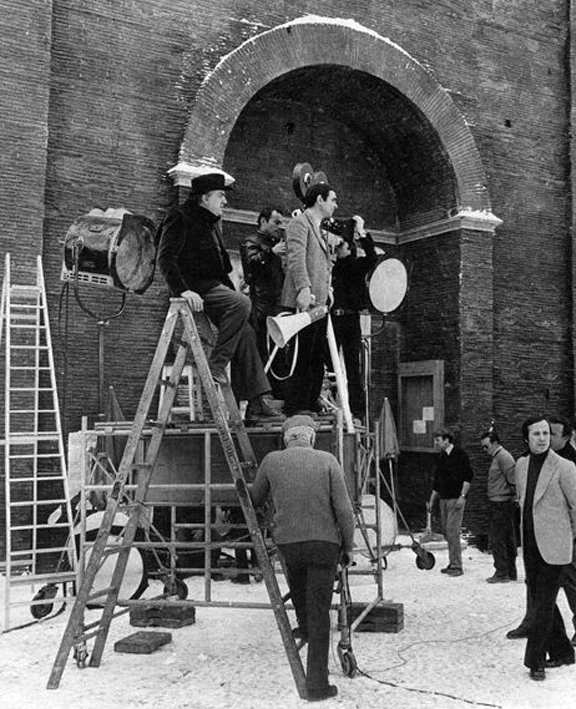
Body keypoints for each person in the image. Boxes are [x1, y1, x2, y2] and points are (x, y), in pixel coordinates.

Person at [156, 172, 280, 422]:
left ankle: (256, 403)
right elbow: (165, 258)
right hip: (196, 289)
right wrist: (183, 290)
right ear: (204, 197)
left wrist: (232, 289)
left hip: (213, 288)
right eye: (220, 195)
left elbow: (220, 268)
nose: (225, 201)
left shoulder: (210, 223)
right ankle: (215, 366)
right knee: (241, 303)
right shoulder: (179, 216)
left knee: (246, 332)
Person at [250, 414, 355, 702]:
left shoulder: (271, 461)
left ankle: (304, 627)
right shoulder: (328, 461)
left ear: (286, 438)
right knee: (320, 612)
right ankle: (317, 684)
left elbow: (254, 499)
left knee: (301, 596)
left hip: (289, 546)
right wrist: (348, 546)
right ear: (311, 437)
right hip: (324, 545)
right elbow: (344, 510)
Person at [514, 415, 576, 681]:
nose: (542, 438)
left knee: (541, 604)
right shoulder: (521, 465)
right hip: (530, 545)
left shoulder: (565, 467)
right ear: (526, 438)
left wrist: (569, 537)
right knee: (542, 601)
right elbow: (523, 501)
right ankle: (563, 651)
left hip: (556, 546)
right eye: (536, 434)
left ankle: (535, 661)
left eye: (546, 433)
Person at [281, 183, 338, 416]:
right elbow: (296, 259)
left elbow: (320, 264)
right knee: (302, 353)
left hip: (319, 304)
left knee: (316, 354)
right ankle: (296, 404)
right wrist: (303, 289)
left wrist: (327, 288)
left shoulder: (318, 228)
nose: (335, 205)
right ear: (320, 200)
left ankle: (310, 400)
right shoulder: (299, 223)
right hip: (304, 302)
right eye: (333, 199)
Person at [330, 216, 378, 421]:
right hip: (332, 319)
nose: (337, 249)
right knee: (329, 364)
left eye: (340, 246)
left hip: (350, 319)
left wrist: (362, 232)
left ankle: (356, 410)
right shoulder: (331, 267)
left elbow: (372, 257)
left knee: (353, 367)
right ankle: (332, 404)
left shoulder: (357, 266)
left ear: (349, 248)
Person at [240, 207, 287, 399]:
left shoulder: (276, 243)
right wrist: (271, 253)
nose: (280, 226)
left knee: (280, 350)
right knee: (264, 349)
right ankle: (263, 396)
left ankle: (279, 394)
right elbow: (251, 268)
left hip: (279, 304)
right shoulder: (251, 242)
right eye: (276, 222)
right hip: (262, 305)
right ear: (262, 221)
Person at [427, 429, 474, 577]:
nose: (436, 443)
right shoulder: (441, 457)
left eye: (438, 440)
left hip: (456, 498)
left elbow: (468, 477)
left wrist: (462, 496)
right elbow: (437, 482)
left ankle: (457, 566)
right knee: (447, 532)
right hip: (443, 498)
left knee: (452, 531)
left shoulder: (460, 454)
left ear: (447, 440)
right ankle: (452, 561)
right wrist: (432, 500)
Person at [549, 416, 576, 644]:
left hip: (567, 533)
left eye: (553, 434)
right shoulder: (546, 458)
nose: (546, 438)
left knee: (571, 580)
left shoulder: (569, 463)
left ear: (566, 437)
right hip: (547, 532)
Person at [480, 430, 517, 583]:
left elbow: (513, 480)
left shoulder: (503, 457)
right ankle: (509, 571)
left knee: (498, 539)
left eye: (486, 446)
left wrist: (513, 498)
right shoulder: (499, 457)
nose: (484, 450)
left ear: (495, 443)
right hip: (499, 502)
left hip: (501, 503)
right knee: (505, 538)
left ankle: (502, 572)